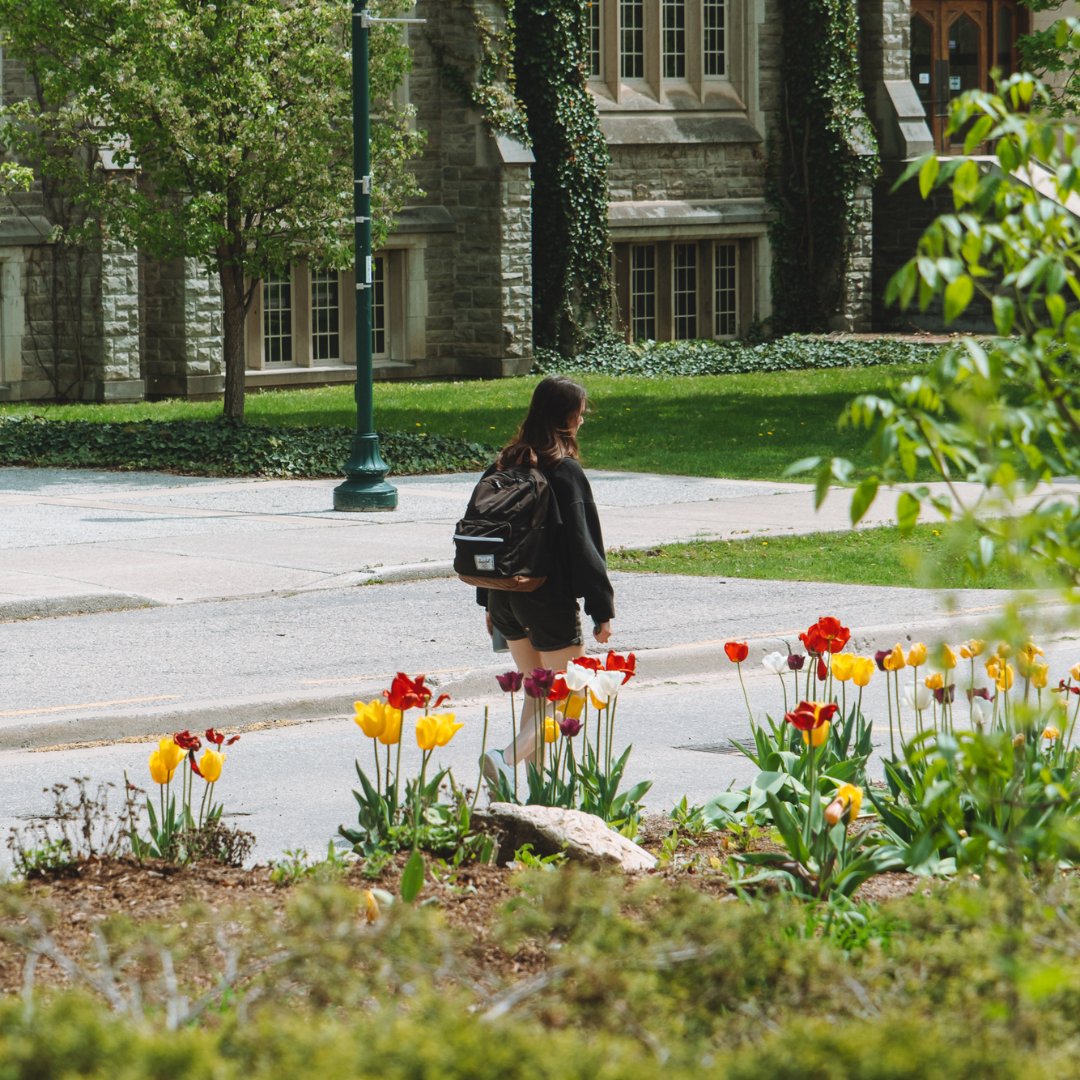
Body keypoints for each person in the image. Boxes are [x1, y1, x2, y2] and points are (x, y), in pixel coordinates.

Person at [479, 375, 615, 787]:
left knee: (538, 698)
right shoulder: (565, 471)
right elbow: (584, 545)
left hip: (505, 597)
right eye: (581, 414)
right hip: (547, 600)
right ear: (568, 418)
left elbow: (489, 534)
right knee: (571, 695)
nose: (583, 421)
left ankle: (537, 794)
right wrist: (602, 609)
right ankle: (505, 757)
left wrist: (488, 601)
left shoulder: (505, 462)